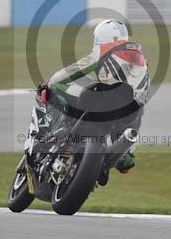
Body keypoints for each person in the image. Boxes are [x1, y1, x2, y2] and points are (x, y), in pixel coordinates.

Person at [38, 19, 150, 181]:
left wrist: (49, 83)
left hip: (105, 100)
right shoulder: (143, 62)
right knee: (127, 153)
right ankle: (113, 160)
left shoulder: (107, 48)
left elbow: (74, 70)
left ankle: (63, 131)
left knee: (62, 90)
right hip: (130, 114)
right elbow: (141, 104)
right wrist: (129, 153)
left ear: (102, 36)